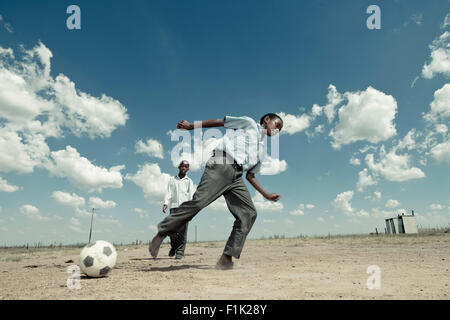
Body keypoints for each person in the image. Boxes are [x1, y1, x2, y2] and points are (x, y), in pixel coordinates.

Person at [149, 113, 283, 270]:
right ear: (266, 120)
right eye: (277, 124)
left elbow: (251, 175)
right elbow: (220, 122)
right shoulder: (249, 124)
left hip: (237, 177)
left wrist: (266, 195)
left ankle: (226, 258)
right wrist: (191, 126)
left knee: (248, 213)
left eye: (280, 130)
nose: (277, 130)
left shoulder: (262, 151)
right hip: (222, 163)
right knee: (198, 202)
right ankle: (163, 232)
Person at [163, 160, 195, 259]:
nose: (184, 168)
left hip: (184, 208)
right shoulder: (172, 179)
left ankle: (180, 251)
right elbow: (169, 192)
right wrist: (165, 203)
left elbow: (190, 195)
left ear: (188, 169)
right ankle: (174, 247)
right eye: (182, 166)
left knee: (182, 231)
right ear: (179, 167)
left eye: (186, 166)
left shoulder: (189, 181)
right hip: (173, 207)